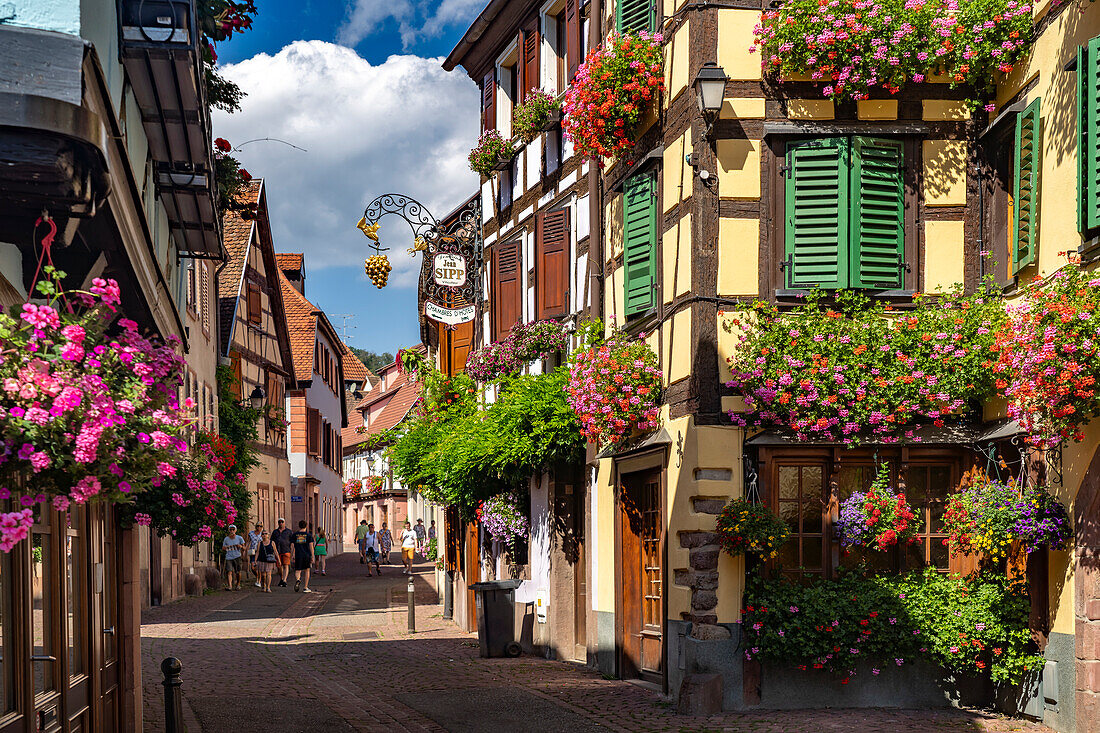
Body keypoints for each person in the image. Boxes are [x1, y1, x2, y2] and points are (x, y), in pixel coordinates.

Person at [291, 520, 314, 593]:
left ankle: (298, 580)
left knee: (298, 570)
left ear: (299, 526)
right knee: (307, 570)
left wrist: (293, 554)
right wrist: (312, 556)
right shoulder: (308, 535)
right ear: (306, 526)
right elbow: (311, 546)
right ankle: (305, 587)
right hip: (306, 555)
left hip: (298, 555)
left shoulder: (295, 535)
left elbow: (292, 546)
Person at [271, 518, 294, 588]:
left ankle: (284, 580)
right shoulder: (275, 532)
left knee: (286, 565)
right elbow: (272, 541)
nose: (281, 523)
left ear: (284, 523)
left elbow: (292, 542)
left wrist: (292, 552)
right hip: (277, 551)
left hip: (286, 550)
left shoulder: (289, 531)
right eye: (279, 522)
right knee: (279, 566)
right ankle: (282, 578)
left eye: (282, 522)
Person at [222, 525, 245, 590]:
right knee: (229, 571)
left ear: (235, 530)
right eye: (230, 530)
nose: (232, 531)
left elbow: (244, 548)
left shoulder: (239, 538)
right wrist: (226, 547)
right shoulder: (226, 539)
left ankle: (238, 584)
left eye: (233, 529)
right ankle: (230, 586)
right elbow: (223, 548)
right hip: (229, 557)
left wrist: (240, 546)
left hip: (237, 556)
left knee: (238, 571)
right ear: (229, 530)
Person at [247, 523, 263, 588]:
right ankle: (258, 577)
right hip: (253, 551)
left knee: (258, 567)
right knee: (253, 567)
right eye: (258, 526)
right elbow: (248, 541)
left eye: (261, 526)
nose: (259, 527)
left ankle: (258, 581)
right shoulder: (251, 533)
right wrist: (245, 549)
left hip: (260, 552)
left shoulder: (263, 534)